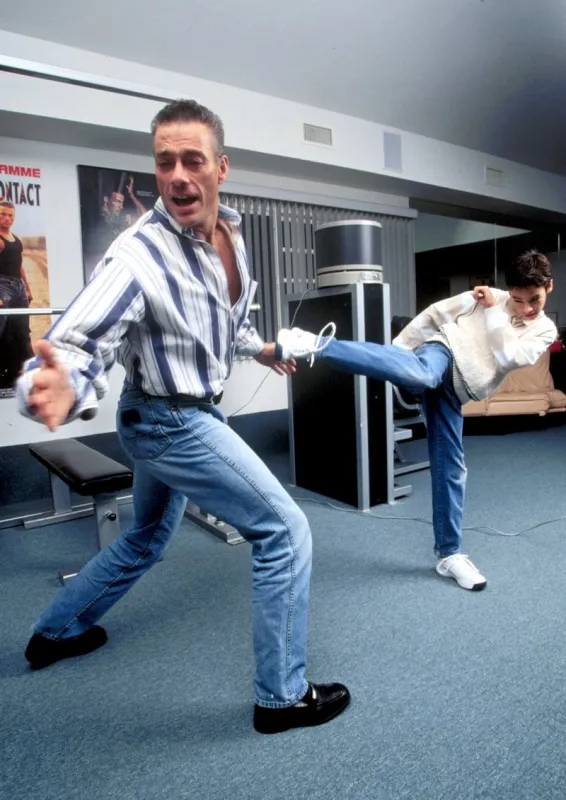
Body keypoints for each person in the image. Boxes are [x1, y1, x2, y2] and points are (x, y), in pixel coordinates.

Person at [16, 99, 350, 734]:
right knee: (285, 532)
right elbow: (80, 343)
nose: (176, 176)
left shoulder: (231, 233)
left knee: (144, 538)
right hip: (170, 422)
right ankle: (282, 698)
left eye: (192, 160)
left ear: (221, 167)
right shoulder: (138, 254)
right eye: (164, 162)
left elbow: (229, 320)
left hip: (164, 418)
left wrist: (265, 349)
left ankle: (54, 631)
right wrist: (52, 379)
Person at [277, 250, 557, 591]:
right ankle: (316, 344)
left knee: (452, 467)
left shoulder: (544, 330)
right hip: (441, 352)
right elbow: (436, 314)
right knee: (423, 374)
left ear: (549, 288)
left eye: (535, 301)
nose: (526, 309)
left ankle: (449, 555)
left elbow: (508, 356)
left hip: (458, 390)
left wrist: (495, 313)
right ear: (508, 289)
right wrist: (398, 351)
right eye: (518, 299)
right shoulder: (490, 297)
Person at [0, 200, 34, 386]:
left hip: (18, 287)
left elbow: (20, 266)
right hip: (2, 286)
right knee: (1, 330)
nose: (7, 218)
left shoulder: (16, 238)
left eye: (10, 215)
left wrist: (27, 288)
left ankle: (20, 370)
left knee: (22, 331)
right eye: (2, 214)